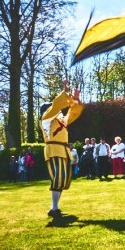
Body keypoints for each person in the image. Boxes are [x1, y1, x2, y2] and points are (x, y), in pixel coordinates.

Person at [40, 84, 84, 218]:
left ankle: (55, 207)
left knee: (63, 180)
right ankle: (53, 207)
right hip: (53, 150)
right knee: (58, 178)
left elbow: (73, 113)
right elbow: (55, 107)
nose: (60, 112)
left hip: (63, 150)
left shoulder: (60, 120)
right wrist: (65, 94)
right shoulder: (46, 119)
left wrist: (74, 101)